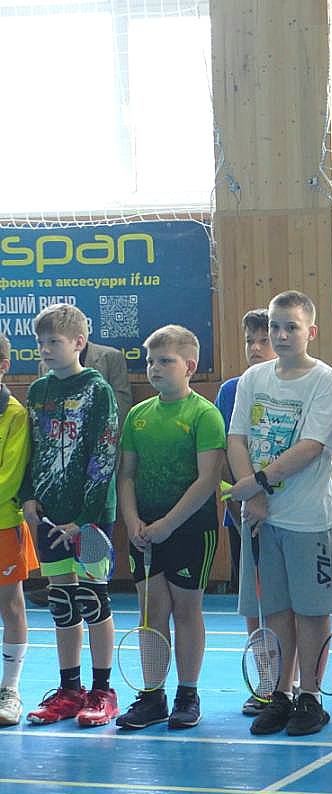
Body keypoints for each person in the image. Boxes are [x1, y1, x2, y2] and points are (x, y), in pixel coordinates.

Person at [226, 290, 332, 737]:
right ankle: (280, 692)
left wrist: (257, 483)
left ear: (311, 331)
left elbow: (312, 446)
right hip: (262, 518)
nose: (280, 335)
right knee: (273, 609)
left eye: (291, 327)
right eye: (275, 327)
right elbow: (237, 438)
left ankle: (311, 696)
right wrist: (252, 496)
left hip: (307, 518)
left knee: (311, 611)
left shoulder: (324, 379)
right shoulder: (253, 378)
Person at [115, 325, 226, 730]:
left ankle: (187, 694)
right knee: (151, 611)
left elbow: (207, 479)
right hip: (145, 529)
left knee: (186, 610)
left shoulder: (204, 414)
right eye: (151, 361)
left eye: (166, 361)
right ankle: (152, 696)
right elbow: (127, 475)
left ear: (190, 367)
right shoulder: (138, 416)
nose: (155, 368)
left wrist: (168, 524)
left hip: (191, 529)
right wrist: (132, 521)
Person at [21, 305, 120, 728]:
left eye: (54, 342)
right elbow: (33, 448)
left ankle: (102, 691)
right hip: (49, 516)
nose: (45, 349)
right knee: (62, 601)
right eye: (40, 342)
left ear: (79, 342)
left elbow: (104, 454)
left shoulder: (97, 390)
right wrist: (29, 497)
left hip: (89, 519)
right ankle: (69, 689)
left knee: (93, 599)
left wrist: (84, 518)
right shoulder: (38, 392)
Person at [215, 308, 280, 716]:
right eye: (249, 342)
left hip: (288, 513)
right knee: (254, 605)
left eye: (263, 340)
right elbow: (224, 452)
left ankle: (290, 683)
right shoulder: (230, 391)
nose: (256, 348)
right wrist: (242, 498)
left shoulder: (298, 386)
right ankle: (265, 682)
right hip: (242, 516)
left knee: (285, 605)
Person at [0, 333, 39, 727]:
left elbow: (10, 479)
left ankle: (10, 689)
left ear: (4, 366)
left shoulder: (14, 414)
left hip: (4, 524)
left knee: (11, 605)